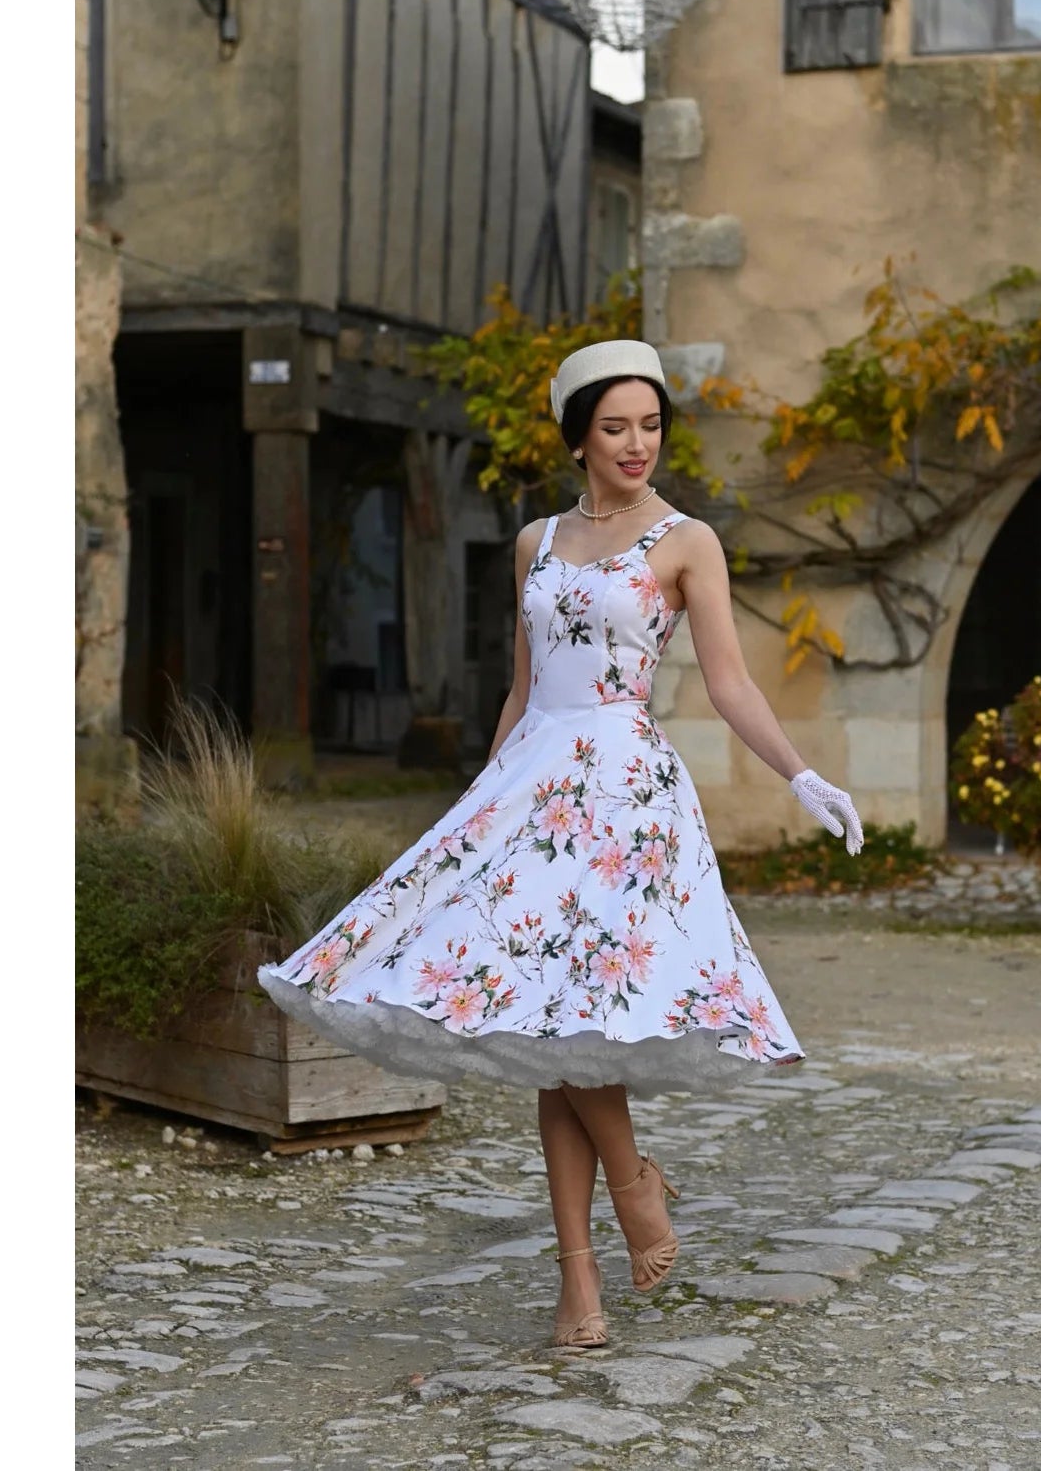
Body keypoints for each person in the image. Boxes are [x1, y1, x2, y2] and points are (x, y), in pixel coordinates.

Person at [258, 339, 864, 1349]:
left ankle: (630, 1199)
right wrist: (479, 805)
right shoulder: (534, 540)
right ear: (579, 435)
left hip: (624, 794)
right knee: (549, 1030)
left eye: (652, 425)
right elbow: (522, 686)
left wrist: (800, 775)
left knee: (577, 1019)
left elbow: (730, 683)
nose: (637, 445)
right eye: (616, 426)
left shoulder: (685, 541)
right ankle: (583, 1286)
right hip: (532, 783)